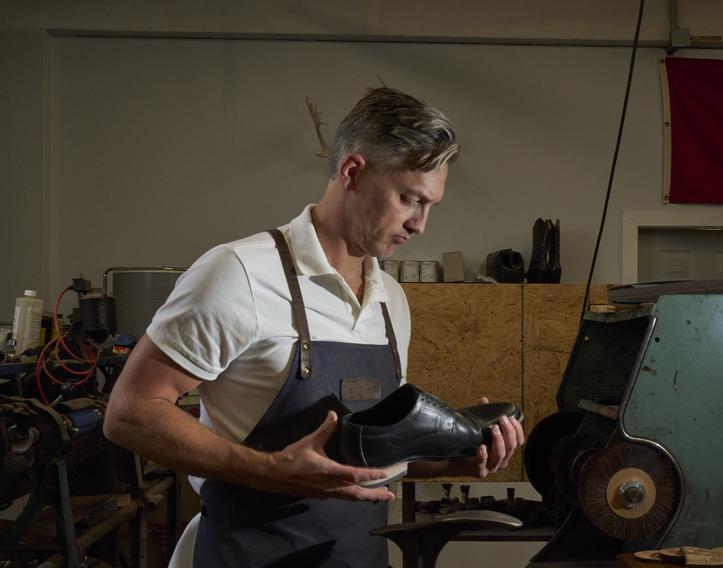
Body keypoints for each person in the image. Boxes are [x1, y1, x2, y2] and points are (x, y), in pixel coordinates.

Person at [103, 87, 524, 568]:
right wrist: (270, 470)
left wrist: (460, 457)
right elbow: (130, 411)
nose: (419, 224)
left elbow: (370, 456)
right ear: (352, 172)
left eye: (430, 206)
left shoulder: (391, 301)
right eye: (409, 199)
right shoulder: (238, 273)